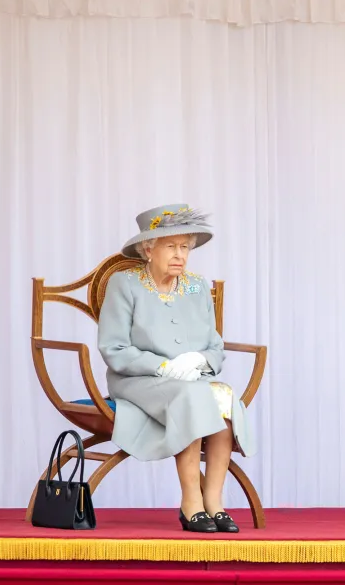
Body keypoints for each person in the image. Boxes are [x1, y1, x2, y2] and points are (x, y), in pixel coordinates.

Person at [97, 204, 257, 533]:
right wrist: (165, 365)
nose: (179, 254)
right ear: (147, 248)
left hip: (191, 380)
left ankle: (214, 502)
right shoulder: (123, 284)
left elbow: (214, 346)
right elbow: (114, 348)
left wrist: (199, 361)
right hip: (137, 380)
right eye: (170, 245)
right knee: (192, 396)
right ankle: (191, 502)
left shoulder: (198, 287)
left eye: (185, 246)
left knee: (222, 400)